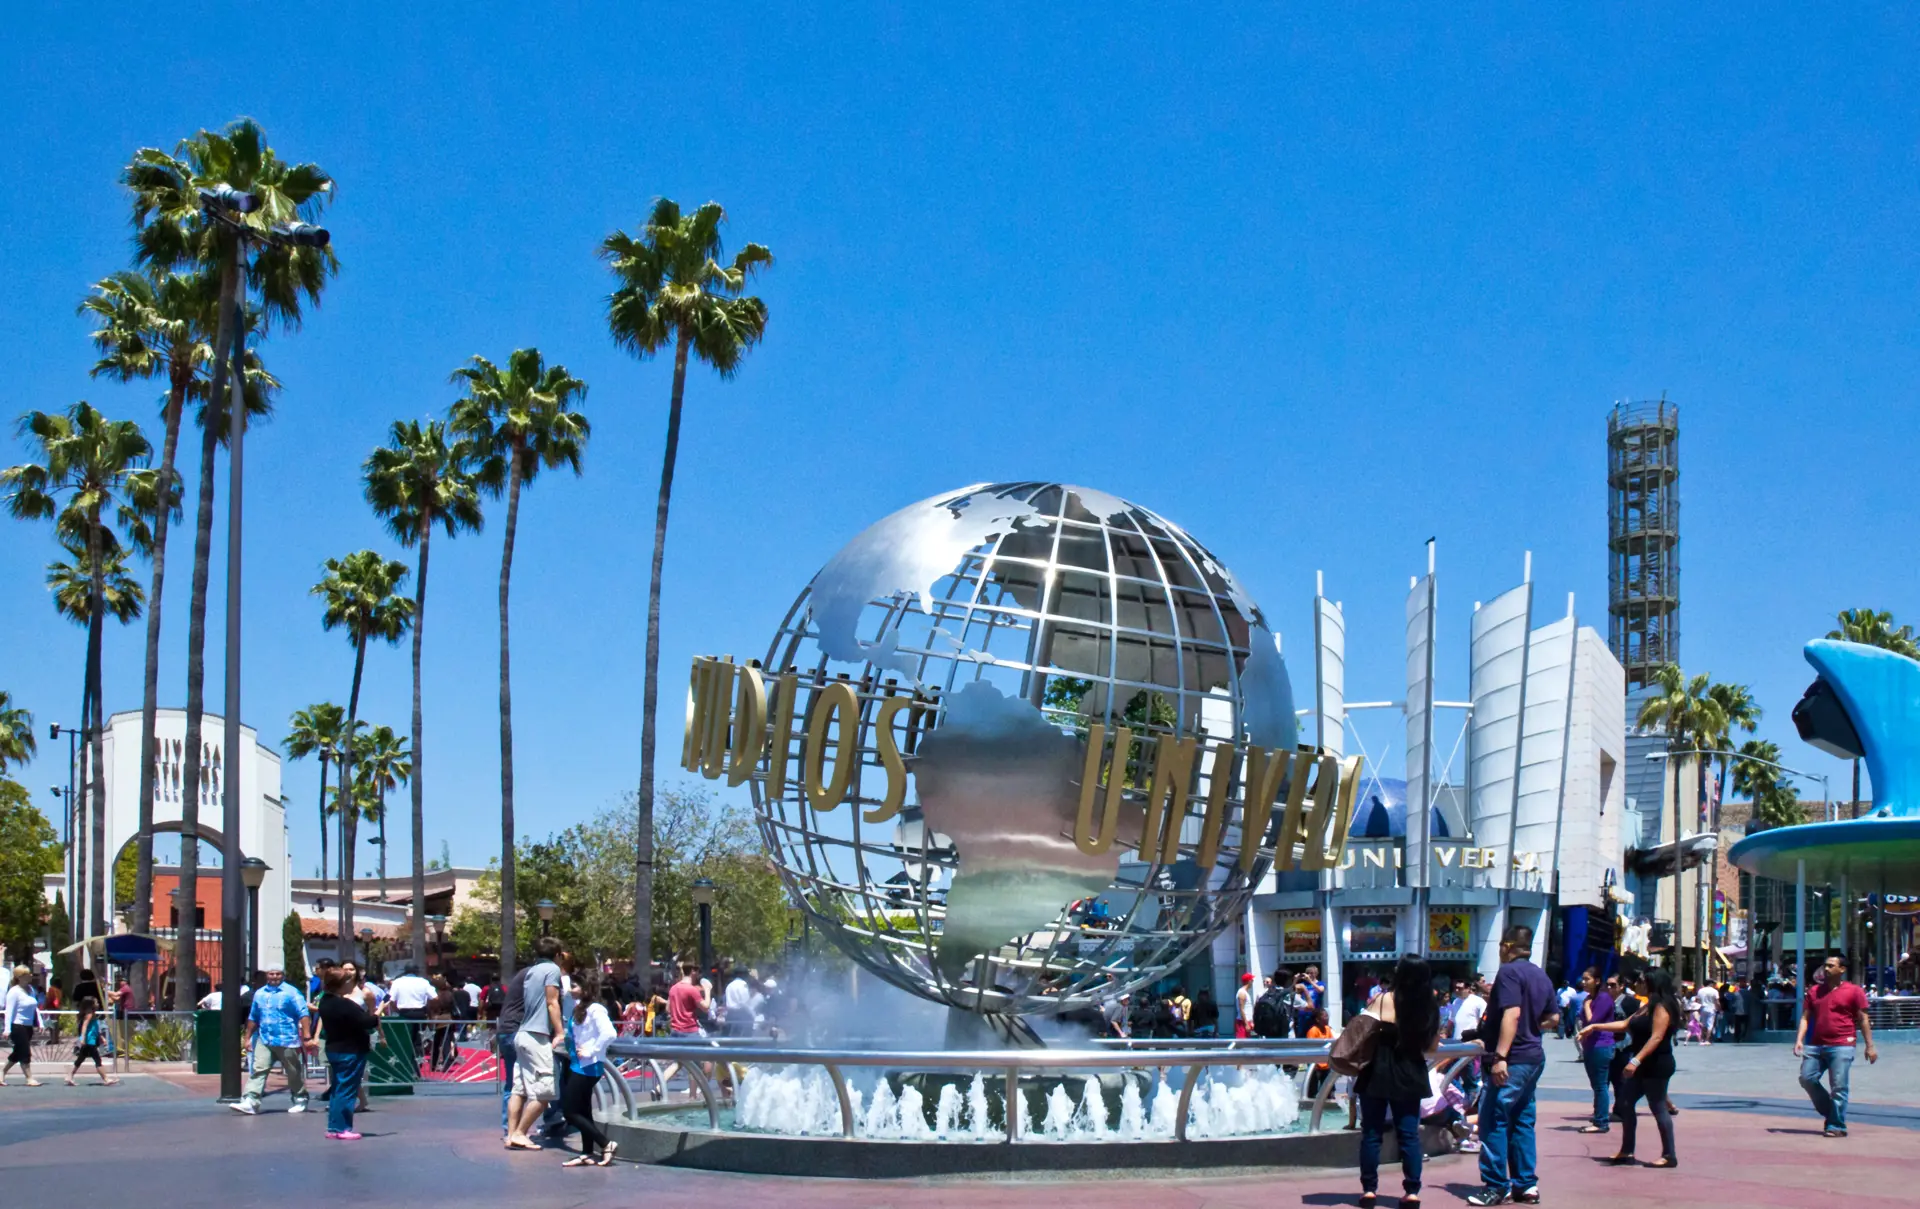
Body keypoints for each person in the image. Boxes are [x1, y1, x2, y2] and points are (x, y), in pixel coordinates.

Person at [1466, 925, 1555, 1207]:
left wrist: (1501, 1055)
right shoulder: (1540, 975)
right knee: (1522, 1120)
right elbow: (1553, 1018)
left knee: (1493, 1118)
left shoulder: (1508, 972)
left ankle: (1496, 1185)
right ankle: (1526, 1185)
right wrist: (1530, 1029)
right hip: (1533, 1056)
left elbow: (1512, 1014)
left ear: (1506, 946)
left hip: (1512, 1058)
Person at [1355, 956, 1440, 1209]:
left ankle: (1369, 1190)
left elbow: (1363, 1031)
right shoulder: (1429, 1006)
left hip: (1377, 1069)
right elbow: (1432, 1047)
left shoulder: (1383, 999)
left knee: (1371, 1133)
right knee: (1409, 1135)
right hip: (1410, 1070)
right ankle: (1412, 1192)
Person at [1580, 968, 1679, 1168]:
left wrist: (1636, 1060)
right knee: (1625, 1103)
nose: (1638, 983)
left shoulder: (1661, 1005)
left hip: (1656, 1063)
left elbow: (1657, 1036)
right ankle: (1627, 1150)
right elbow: (1626, 1024)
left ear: (1652, 982)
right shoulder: (1647, 1005)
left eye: (1642, 980)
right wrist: (1595, 1026)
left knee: (1658, 1106)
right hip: (1643, 1063)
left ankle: (1669, 1155)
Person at [1794, 952, 1878, 1137]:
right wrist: (1799, 1039)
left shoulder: (1854, 991)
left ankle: (1836, 1126)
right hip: (1816, 1045)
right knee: (1807, 1078)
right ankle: (1833, 1114)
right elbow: (1805, 1017)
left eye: (1831, 965)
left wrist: (1869, 1045)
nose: (1826, 968)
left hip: (1842, 1044)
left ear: (1842, 969)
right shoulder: (1814, 991)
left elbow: (1863, 1018)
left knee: (1839, 1086)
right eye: (1825, 965)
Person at [506, 938, 569, 1149]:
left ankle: (511, 1135)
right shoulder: (552, 970)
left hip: (522, 1034)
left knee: (519, 1090)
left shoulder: (531, 971)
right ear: (558, 954)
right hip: (537, 1036)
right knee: (545, 1092)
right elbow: (552, 1002)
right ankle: (521, 1133)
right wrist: (560, 1032)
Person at [558, 968, 619, 1167]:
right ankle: (587, 1152)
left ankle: (606, 1143)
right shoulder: (580, 1008)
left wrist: (592, 1050)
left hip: (588, 1067)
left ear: (585, 988)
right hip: (577, 1065)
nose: (571, 989)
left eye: (575, 986)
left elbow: (609, 1033)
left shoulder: (595, 1009)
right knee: (583, 1111)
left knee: (570, 1111)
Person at [232, 967, 311, 1114]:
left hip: (287, 1039)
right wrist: (248, 1037)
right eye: (271, 974)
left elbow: (303, 1013)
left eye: (278, 974)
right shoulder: (260, 994)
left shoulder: (291, 992)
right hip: (265, 1038)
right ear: (266, 976)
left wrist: (307, 1035)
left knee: (293, 1071)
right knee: (259, 1069)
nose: (274, 976)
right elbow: (253, 1016)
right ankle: (251, 1100)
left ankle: (300, 1098)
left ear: (283, 975)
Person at [316, 967, 381, 1141]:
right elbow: (366, 1022)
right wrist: (376, 1014)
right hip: (350, 1050)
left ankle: (333, 1126)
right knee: (346, 1090)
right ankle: (342, 1127)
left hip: (335, 1049)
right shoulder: (343, 1004)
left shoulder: (325, 1001)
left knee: (338, 1089)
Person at [494, 963, 533, 1134]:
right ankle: (516, 1130)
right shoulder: (535, 978)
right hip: (516, 1033)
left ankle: (508, 1128)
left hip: (506, 1031)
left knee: (512, 1083)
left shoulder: (520, 977)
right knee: (534, 1084)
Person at [1576, 970, 1616, 1135]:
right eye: (1583, 979)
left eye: (1587, 979)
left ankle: (1601, 1121)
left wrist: (1586, 1006)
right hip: (1591, 1045)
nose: (1583, 982)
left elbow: (1593, 1022)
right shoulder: (1590, 998)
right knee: (1597, 1085)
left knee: (1600, 1085)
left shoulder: (1603, 998)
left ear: (1597, 980)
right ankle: (1598, 1116)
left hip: (1602, 1045)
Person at [65, 996, 117, 1087]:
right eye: (96, 1002)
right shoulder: (89, 1014)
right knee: (97, 1060)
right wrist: (83, 1038)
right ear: (91, 1004)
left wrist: (101, 1038)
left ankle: (69, 1076)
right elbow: (84, 1026)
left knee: (80, 1060)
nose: (98, 1004)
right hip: (89, 1041)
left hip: (91, 1040)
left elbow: (95, 1028)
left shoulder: (92, 1014)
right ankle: (106, 1079)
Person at [3, 966, 42, 1087]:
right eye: (27, 974)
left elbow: (35, 1008)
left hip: (28, 1026)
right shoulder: (14, 991)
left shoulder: (30, 989)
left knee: (18, 1052)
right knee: (25, 1052)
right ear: (20, 977)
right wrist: (7, 1029)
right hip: (17, 1026)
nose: (30, 976)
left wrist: (40, 1022)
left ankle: (2, 1072)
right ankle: (29, 1078)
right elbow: (8, 1011)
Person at [1451, 978, 1488, 1103]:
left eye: (1460, 988)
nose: (1457, 990)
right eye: (1455, 987)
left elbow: (1483, 1022)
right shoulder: (1455, 1002)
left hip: (1470, 1045)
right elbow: (1452, 1022)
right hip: (1456, 1044)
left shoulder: (1478, 1002)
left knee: (1470, 1077)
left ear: (1468, 988)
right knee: (1452, 1076)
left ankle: (1472, 1100)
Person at [1233, 971, 1256, 1039]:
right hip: (1242, 1022)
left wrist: (1251, 1021)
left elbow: (1248, 1009)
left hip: (1246, 1021)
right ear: (1248, 981)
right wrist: (1246, 1024)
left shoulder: (1245, 992)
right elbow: (1241, 1009)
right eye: (1252, 980)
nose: (1252, 982)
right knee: (1241, 1043)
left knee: (1247, 1044)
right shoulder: (1242, 993)